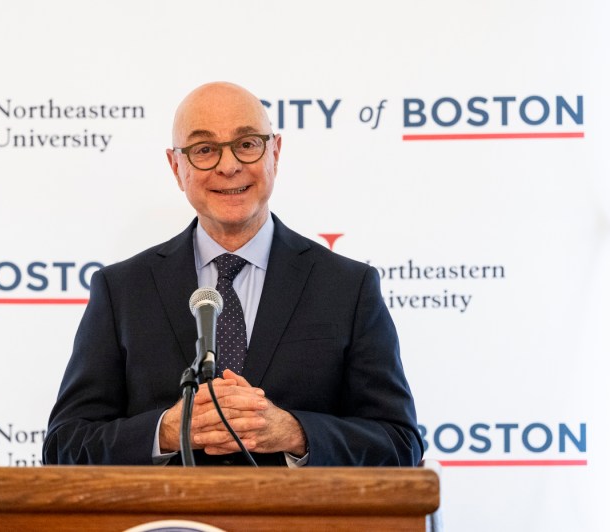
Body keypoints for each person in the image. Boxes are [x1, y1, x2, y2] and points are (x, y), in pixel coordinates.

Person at [43, 82, 422, 466]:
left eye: (246, 144)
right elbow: (64, 446)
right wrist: (169, 430)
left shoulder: (348, 288)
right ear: (177, 167)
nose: (229, 166)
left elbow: (400, 444)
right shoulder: (122, 290)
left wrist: (294, 433)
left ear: (275, 152)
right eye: (204, 150)